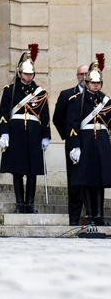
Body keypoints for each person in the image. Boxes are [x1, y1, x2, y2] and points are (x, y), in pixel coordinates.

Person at [0, 44, 50, 214]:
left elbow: (45, 116)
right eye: (26, 73)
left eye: (31, 73)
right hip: (17, 132)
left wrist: (46, 136)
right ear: (20, 73)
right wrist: (4, 133)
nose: (29, 76)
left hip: (34, 133)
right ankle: (20, 203)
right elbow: (3, 114)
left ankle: (30, 203)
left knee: (33, 171)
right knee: (18, 169)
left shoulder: (40, 92)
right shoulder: (10, 91)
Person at [66, 55, 111, 226]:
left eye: (98, 83)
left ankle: (99, 215)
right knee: (86, 181)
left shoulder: (106, 102)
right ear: (87, 83)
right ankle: (90, 215)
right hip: (85, 142)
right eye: (93, 83)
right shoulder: (77, 100)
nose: (96, 86)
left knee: (99, 181)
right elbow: (72, 125)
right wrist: (75, 146)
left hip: (101, 142)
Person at [52, 63, 88, 225]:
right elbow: (57, 118)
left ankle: (93, 216)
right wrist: (68, 137)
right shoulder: (67, 94)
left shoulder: (99, 96)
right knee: (74, 182)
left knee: (92, 181)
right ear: (77, 76)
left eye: (87, 74)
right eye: (81, 74)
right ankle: (74, 219)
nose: (84, 77)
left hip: (91, 144)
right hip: (74, 144)